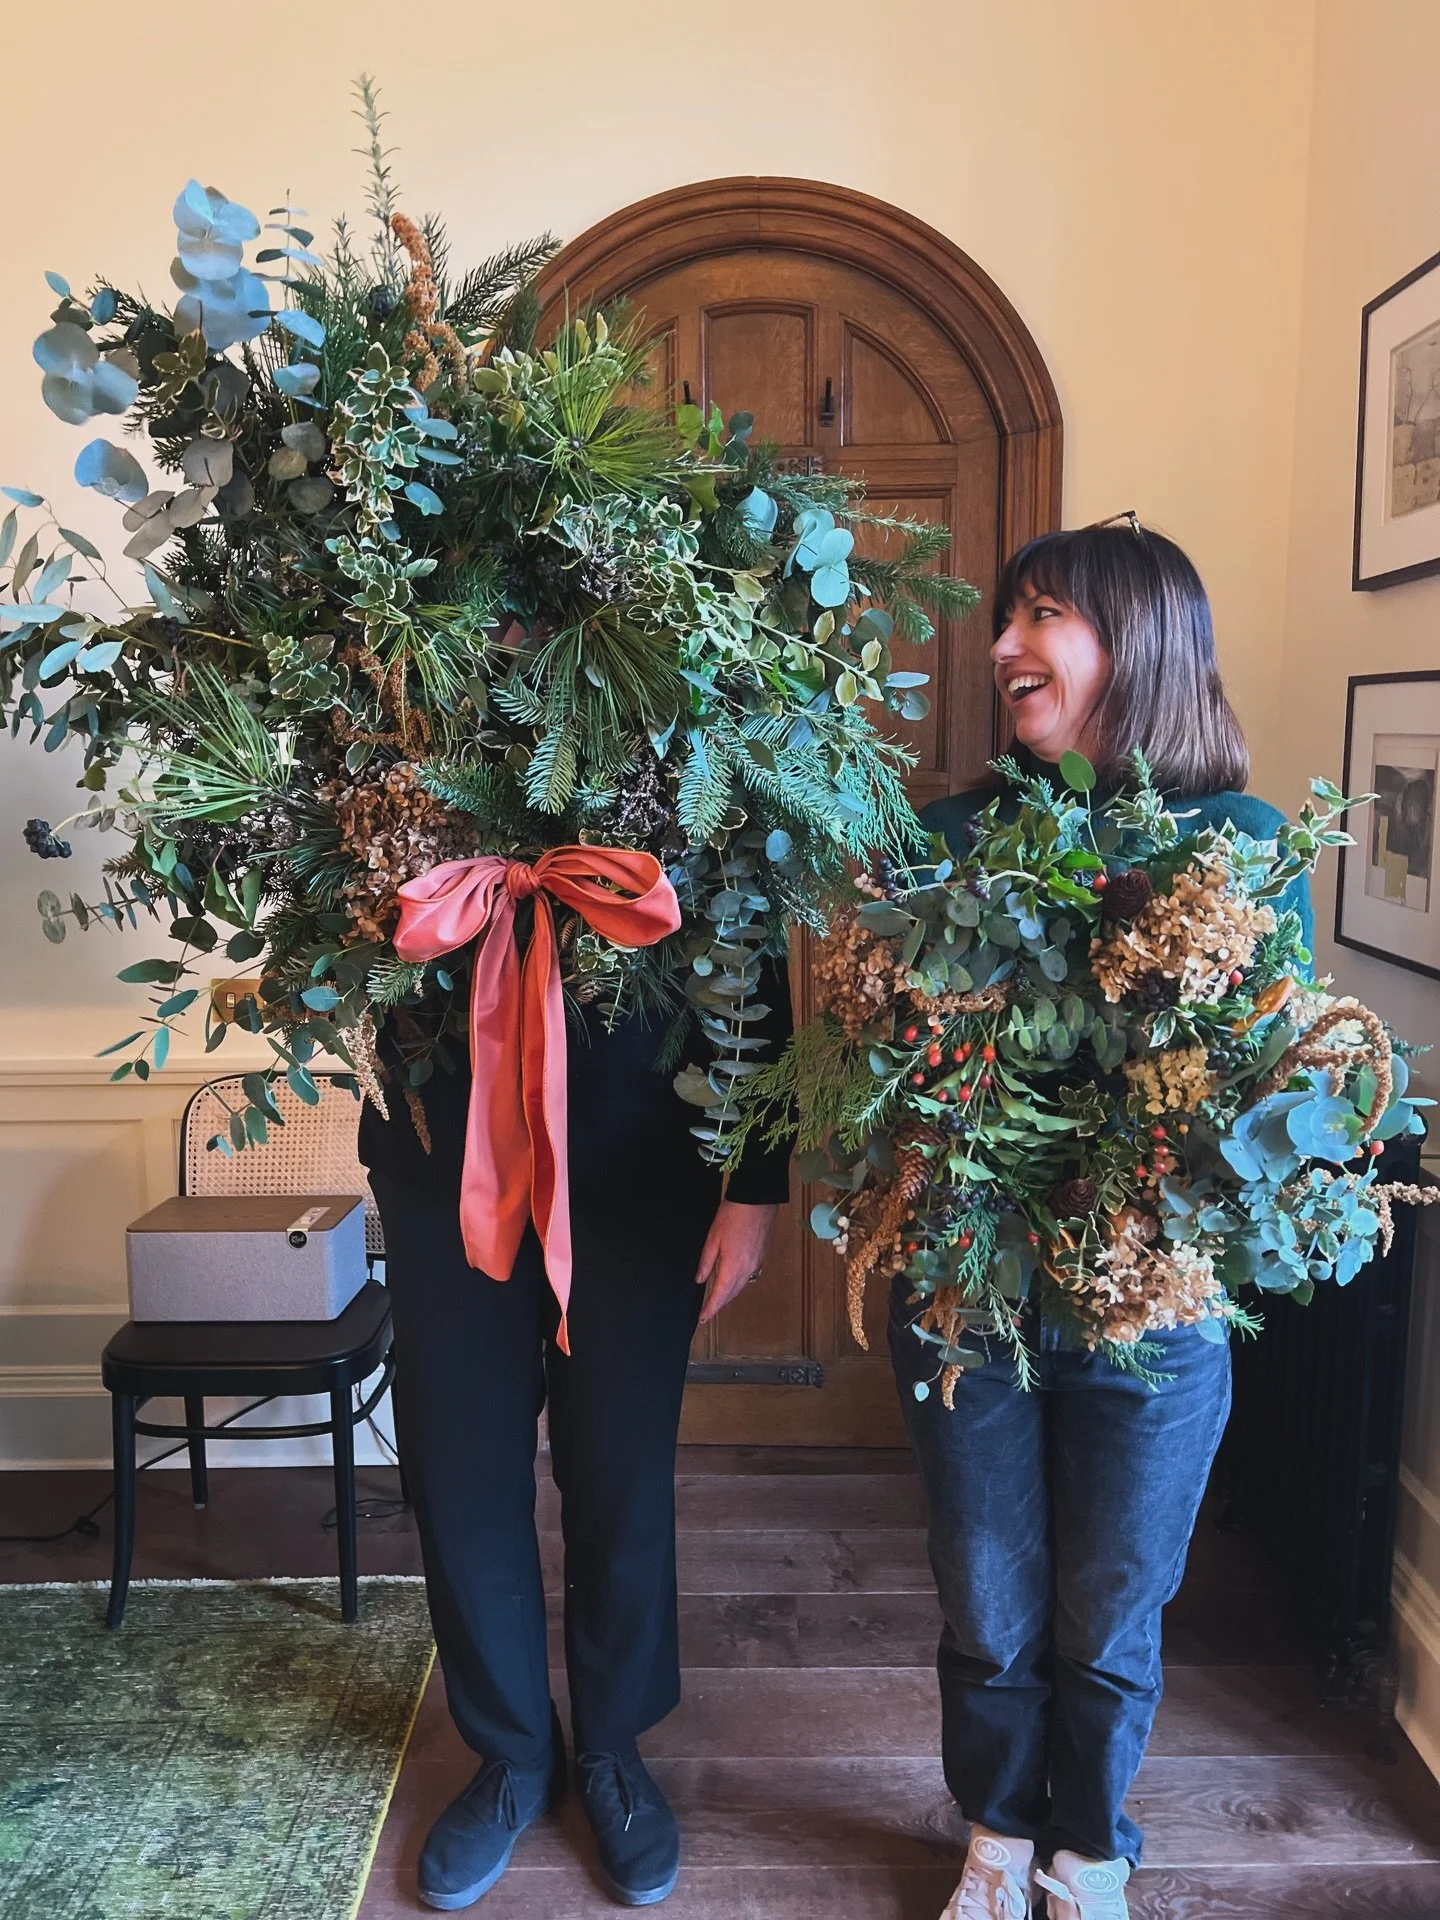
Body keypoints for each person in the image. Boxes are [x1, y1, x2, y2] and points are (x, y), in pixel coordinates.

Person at [899, 518, 1314, 1920]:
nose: (1006, 646)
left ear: (1137, 645)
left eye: (1044, 617)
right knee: (987, 1592)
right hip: (972, 1300)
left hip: (1159, 1312)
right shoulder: (948, 836)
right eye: (1009, 619)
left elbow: (1273, 1091)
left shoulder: (1244, 848)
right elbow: (899, 1069)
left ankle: (1090, 1845)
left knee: (1112, 1604)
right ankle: (996, 1834)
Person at [360, 950, 790, 1911]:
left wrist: (756, 1183)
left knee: (620, 1471)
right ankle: (512, 1752)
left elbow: (750, 938)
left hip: (640, 1162)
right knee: (459, 1469)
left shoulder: (712, 789)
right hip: (444, 1162)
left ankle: (612, 1745)